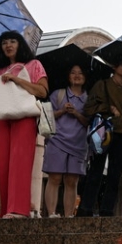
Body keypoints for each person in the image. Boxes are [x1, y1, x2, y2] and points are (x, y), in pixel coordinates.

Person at [0, 31, 49, 219]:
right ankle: (6, 209)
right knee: (4, 162)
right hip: (3, 116)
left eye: (13, 41)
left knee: (20, 161)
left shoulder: (34, 65)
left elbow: (42, 91)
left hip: (25, 116)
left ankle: (18, 209)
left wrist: (17, 79)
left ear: (20, 44)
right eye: (4, 42)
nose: (8, 45)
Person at [78, 55, 122, 217]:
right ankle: (86, 208)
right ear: (114, 67)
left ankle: (107, 210)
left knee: (115, 175)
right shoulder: (102, 85)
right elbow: (88, 108)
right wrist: (108, 108)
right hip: (103, 132)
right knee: (95, 171)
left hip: (120, 136)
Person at [43, 65, 88, 218]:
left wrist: (75, 113)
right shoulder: (58, 94)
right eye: (73, 72)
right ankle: (51, 214)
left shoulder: (88, 99)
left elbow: (88, 122)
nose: (77, 75)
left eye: (80, 73)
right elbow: (47, 116)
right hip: (57, 140)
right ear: (68, 76)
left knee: (72, 180)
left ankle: (69, 215)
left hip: (79, 144)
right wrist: (62, 110)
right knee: (54, 177)